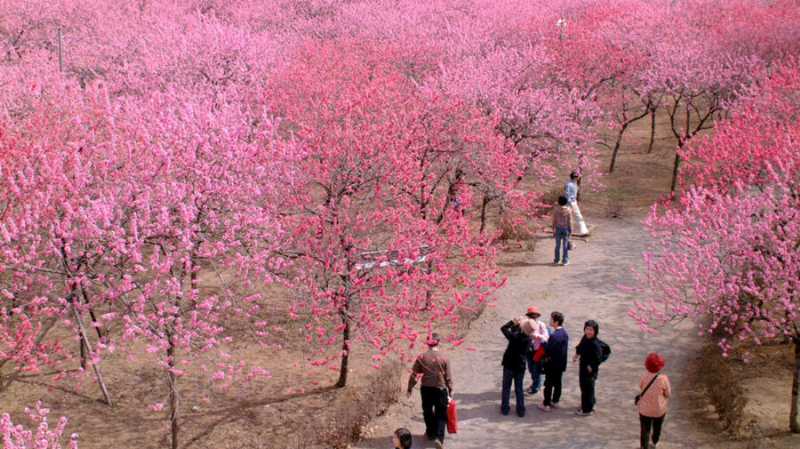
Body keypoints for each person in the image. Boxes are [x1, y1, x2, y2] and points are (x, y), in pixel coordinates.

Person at [407, 333, 452, 449]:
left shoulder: (421, 357)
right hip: (440, 389)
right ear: (438, 342)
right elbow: (448, 377)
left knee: (427, 411)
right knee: (441, 413)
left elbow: (415, 375)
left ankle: (431, 433)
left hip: (426, 389)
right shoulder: (444, 357)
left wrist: (410, 388)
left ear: (427, 343)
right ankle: (439, 438)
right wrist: (450, 389)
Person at [500, 318, 533, 417]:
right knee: (519, 388)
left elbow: (503, 328)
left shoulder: (514, 336)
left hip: (509, 365)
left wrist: (512, 322)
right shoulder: (529, 339)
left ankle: (505, 409)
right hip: (520, 366)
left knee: (506, 387)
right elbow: (521, 333)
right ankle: (520, 410)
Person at [638, 353, 671, 449]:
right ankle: (654, 443)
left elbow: (641, 387)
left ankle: (644, 446)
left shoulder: (644, 376)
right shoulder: (663, 378)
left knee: (645, 429)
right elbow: (668, 394)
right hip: (659, 410)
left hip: (644, 410)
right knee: (657, 428)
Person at [538, 311, 569, 412]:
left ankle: (546, 404)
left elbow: (548, 350)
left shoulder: (554, 336)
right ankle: (555, 401)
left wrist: (543, 344)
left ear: (556, 322)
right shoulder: (564, 333)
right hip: (560, 364)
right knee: (558, 383)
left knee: (548, 384)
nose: (550, 321)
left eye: (551, 319)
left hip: (551, 365)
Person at [574, 320, 603, 416]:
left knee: (587, 388)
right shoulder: (585, 338)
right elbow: (580, 347)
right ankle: (589, 403)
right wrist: (576, 355)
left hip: (589, 370)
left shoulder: (595, 344)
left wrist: (592, 366)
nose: (588, 332)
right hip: (583, 366)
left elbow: (599, 358)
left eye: (591, 330)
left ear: (595, 331)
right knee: (585, 387)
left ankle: (587, 409)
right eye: (587, 329)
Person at [523, 306, 549, 394]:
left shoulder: (541, 325)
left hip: (538, 351)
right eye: (530, 315)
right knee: (531, 369)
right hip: (528, 350)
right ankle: (535, 383)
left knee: (536, 369)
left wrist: (537, 336)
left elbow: (546, 337)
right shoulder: (526, 324)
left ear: (537, 316)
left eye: (534, 315)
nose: (532, 317)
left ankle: (536, 387)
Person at [565, 171, 589, 236]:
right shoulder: (569, 184)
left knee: (577, 215)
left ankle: (583, 230)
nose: (578, 177)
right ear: (575, 177)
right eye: (577, 176)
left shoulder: (575, 183)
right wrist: (570, 202)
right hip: (569, 202)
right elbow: (567, 194)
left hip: (573, 201)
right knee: (569, 216)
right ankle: (565, 230)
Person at [552, 196, 573, 266]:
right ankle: (565, 260)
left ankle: (556, 260)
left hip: (558, 228)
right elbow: (570, 221)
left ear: (558, 202)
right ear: (566, 202)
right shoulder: (569, 210)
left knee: (557, 245)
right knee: (565, 245)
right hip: (566, 229)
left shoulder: (556, 210)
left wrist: (553, 229)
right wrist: (571, 230)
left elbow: (554, 221)